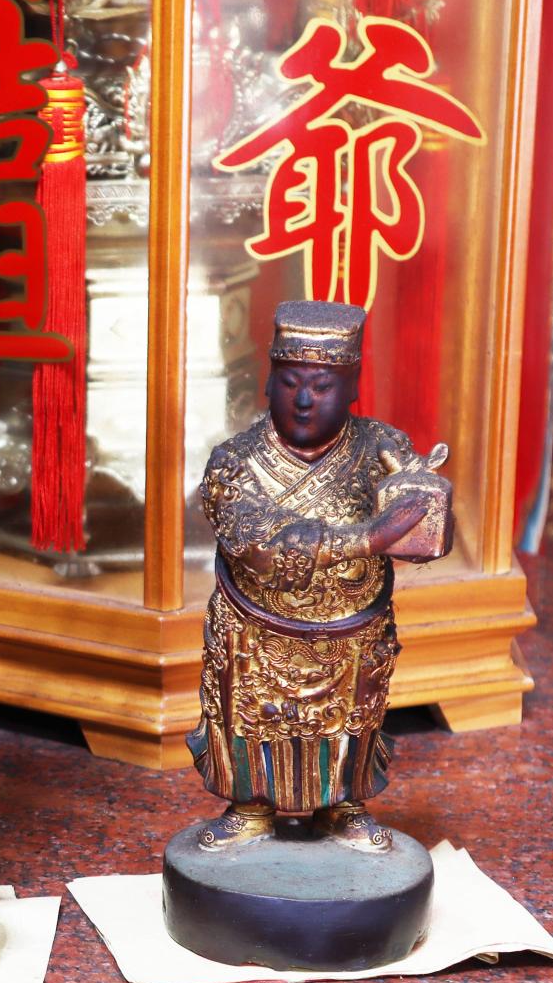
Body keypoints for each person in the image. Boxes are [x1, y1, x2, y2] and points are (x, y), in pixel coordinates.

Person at [188, 299, 451, 852]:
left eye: (322, 385)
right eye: (290, 382)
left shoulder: (382, 448)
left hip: (352, 637)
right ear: (268, 382)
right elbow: (256, 542)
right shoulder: (233, 463)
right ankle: (249, 807)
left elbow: (425, 533)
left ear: (351, 387)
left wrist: (425, 505)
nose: (304, 399)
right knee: (249, 720)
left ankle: (343, 807)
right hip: (256, 635)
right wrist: (369, 537)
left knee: (351, 722)